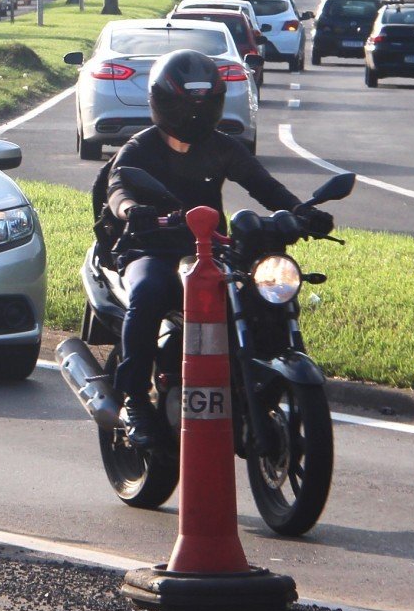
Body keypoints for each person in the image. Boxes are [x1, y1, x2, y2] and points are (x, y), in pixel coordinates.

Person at [96, 49, 332, 449]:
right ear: (166, 101)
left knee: (258, 296)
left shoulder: (223, 147)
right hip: (152, 249)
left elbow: (264, 185)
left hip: (211, 251)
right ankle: (134, 399)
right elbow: (118, 188)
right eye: (189, 101)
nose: (196, 110)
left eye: (205, 101)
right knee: (150, 291)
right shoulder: (139, 148)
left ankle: (250, 383)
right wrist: (132, 211)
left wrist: (300, 212)